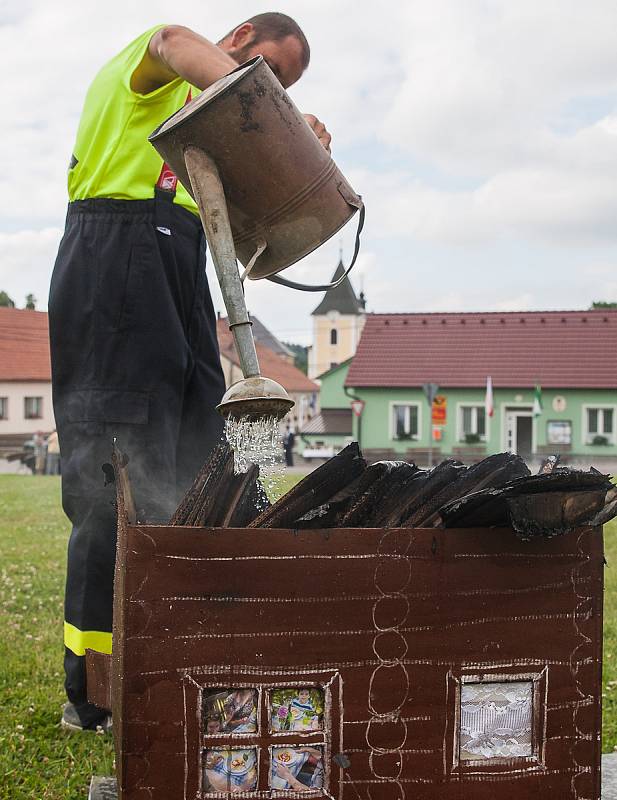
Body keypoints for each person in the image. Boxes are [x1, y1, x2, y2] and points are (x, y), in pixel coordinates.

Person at [49, 13, 331, 732]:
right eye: (267, 71)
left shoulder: (212, 135)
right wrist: (275, 116)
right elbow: (173, 42)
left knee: (209, 463)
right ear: (237, 40)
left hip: (180, 271)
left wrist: (290, 155)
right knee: (114, 482)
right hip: (112, 263)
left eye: (281, 86)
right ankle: (98, 693)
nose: (266, 89)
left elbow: (252, 236)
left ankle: (185, 655)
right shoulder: (151, 74)